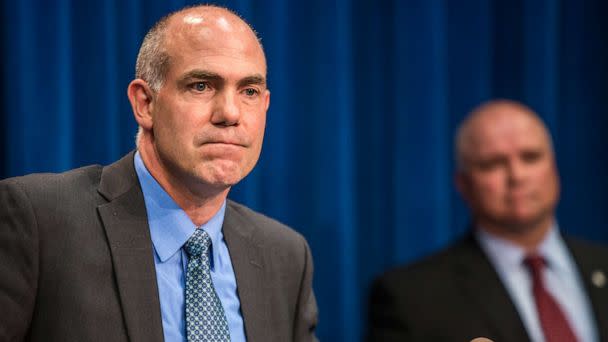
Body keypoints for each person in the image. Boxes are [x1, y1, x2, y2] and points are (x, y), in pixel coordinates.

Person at [0, 5, 317, 342]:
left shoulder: (286, 256)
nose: (230, 113)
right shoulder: (38, 221)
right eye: (201, 86)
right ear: (145, 104)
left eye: (249, 91)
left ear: (266, 104)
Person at [367, 100, 608, 342]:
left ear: (554, 168)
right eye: (493, 163)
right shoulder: (411, 297)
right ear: (463, 183)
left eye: (530, 157)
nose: (517, 176)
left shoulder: (601, 262)